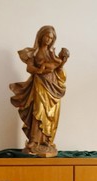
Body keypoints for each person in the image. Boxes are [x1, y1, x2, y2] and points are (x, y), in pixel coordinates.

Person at [9, 25, 69, 157]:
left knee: (50, 113)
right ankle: (34, 141)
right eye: (46, 36)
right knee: (38, 110)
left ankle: (47, 141)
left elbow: (58, 68)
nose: (48, 39)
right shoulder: (34, 52)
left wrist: (62, 63)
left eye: (51, 38)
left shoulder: (52, 53)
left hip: (52, 86)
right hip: (40, 84)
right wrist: (39, 70)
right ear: (41, 36)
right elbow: (29, 68)